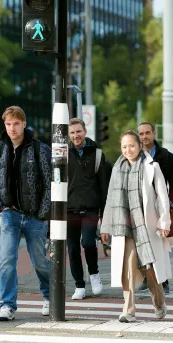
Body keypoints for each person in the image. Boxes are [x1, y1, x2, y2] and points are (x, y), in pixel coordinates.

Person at [0, 106, 52, 321]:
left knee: (40, 261)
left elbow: (50, 182)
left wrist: (43, 213)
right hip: (10, 214)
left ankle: (50, 297)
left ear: (24, 123)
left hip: (34, 216)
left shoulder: (39, 149)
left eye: (16, 123)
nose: (12, 128)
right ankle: (7, 305)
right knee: (6, 260)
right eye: (8, 124)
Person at [100, 130, 171, 322]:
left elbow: (163, 197)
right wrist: (105, 226)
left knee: (149, 268)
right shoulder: (117, 169)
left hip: (145, 226)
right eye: (124, 146)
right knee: (128, 267)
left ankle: (159, 301)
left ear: (140, 146)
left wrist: (164, 222)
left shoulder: (152, 167)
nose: (128, 150)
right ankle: (128, 310)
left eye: (131, 145)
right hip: (124, 226)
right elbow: (110, 199)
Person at [67, 118, 111, 300]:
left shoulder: (97, 155)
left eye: (78, 131)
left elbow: (104, 188)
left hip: (91, 208)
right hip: (69, 210)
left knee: (88, 243)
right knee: (72, 249)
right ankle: (79, 285)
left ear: (85, 131)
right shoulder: (63, 154)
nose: (76, 135)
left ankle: (94, 275)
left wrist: (104, 215)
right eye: (72, 132)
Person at [137, 122, 173, 294]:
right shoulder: (135, 155)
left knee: (161, 245)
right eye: (141, 134)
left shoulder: (166, 156)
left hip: (159, 206)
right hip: (140, 206)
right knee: (142, 244)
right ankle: (147, 279)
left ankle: (164, 281)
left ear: (154, 134)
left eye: (148, 133)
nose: (144, 136)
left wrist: (171, 211)